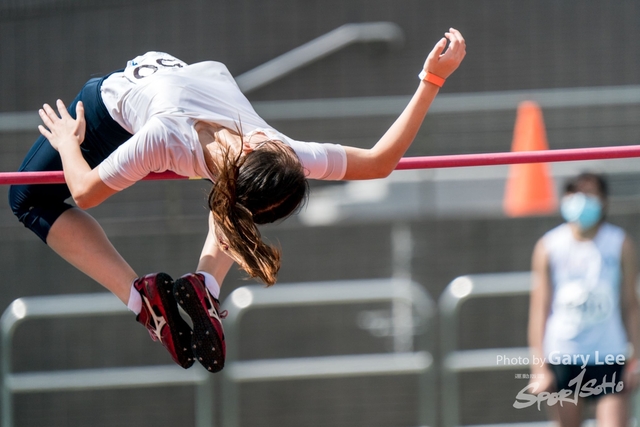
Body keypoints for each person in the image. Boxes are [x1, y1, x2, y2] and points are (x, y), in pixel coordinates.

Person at [8, 29, 466, 373]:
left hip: (155, 101)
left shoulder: (274, 151)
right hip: (108, 113)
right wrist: (70, 142)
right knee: (29, 199)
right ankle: (175, 292)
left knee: (31, 202)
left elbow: (377, 163)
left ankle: (170, 293)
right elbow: (85, 190)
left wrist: (433, 76)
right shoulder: (169, 136)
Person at [528, 172, 640, 426]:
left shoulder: (619, 243)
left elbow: (631, 305)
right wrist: (539, 366)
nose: (582, 200)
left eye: (589, 193)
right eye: (576, 193)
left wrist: (636, 359)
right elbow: (539, 309)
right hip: (563, 355)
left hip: (609, 354)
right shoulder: (549, 246)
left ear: (603, 201)